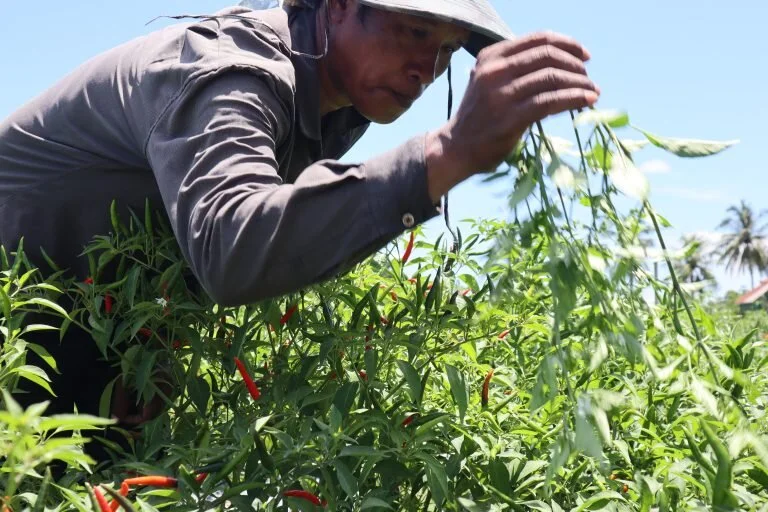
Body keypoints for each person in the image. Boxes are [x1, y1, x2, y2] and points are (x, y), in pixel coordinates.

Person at [0, 0, 599, 457]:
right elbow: (231, 243)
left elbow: (181, 227)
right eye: (415, 31)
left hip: (74, 335)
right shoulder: (229, 72)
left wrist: (150, 348)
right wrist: (448, 150)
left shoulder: (337, 107)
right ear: (336, 6)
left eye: (447, 50)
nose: (426, 68)